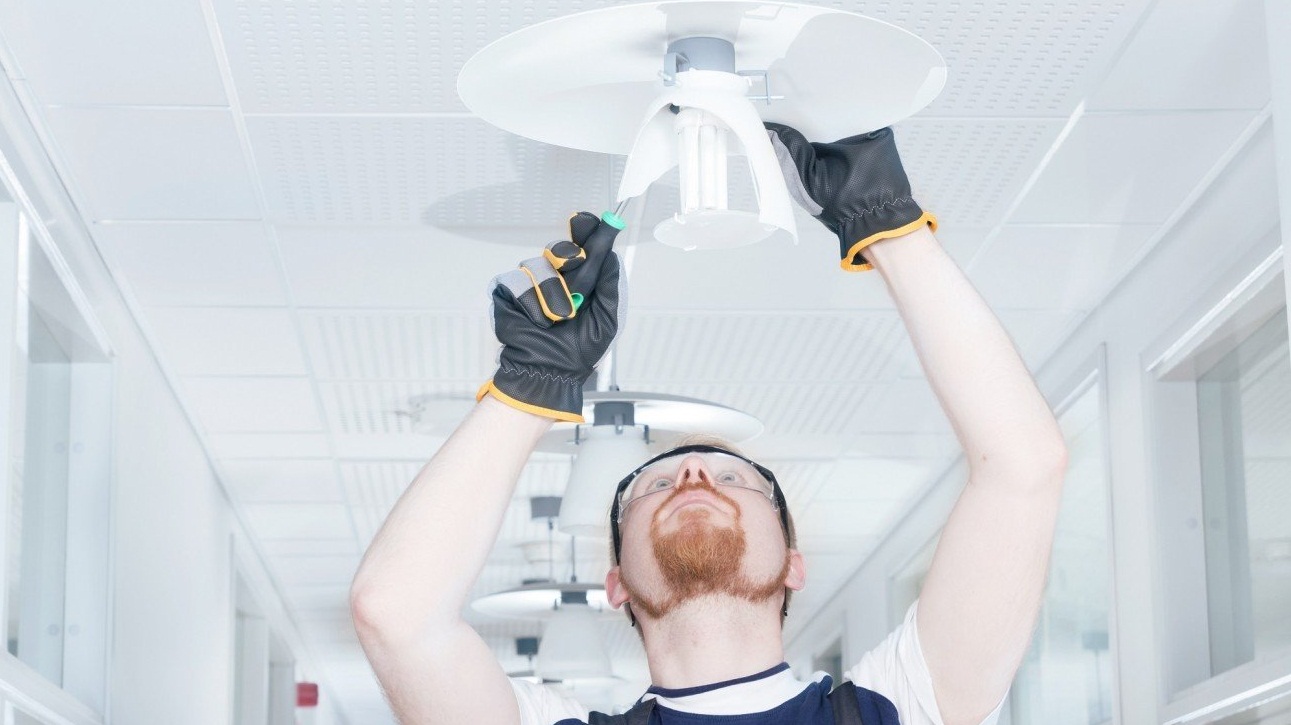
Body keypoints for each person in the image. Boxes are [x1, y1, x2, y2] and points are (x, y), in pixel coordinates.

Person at [349, 123, 1069, 725]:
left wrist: (887, 227)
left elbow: (1024, 466)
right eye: (655, 485)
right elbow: (396, 615)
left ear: (794, 564)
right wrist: (527, 388)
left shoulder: (900, 707)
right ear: (615, 584)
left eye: (733, 477)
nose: (693, 472)